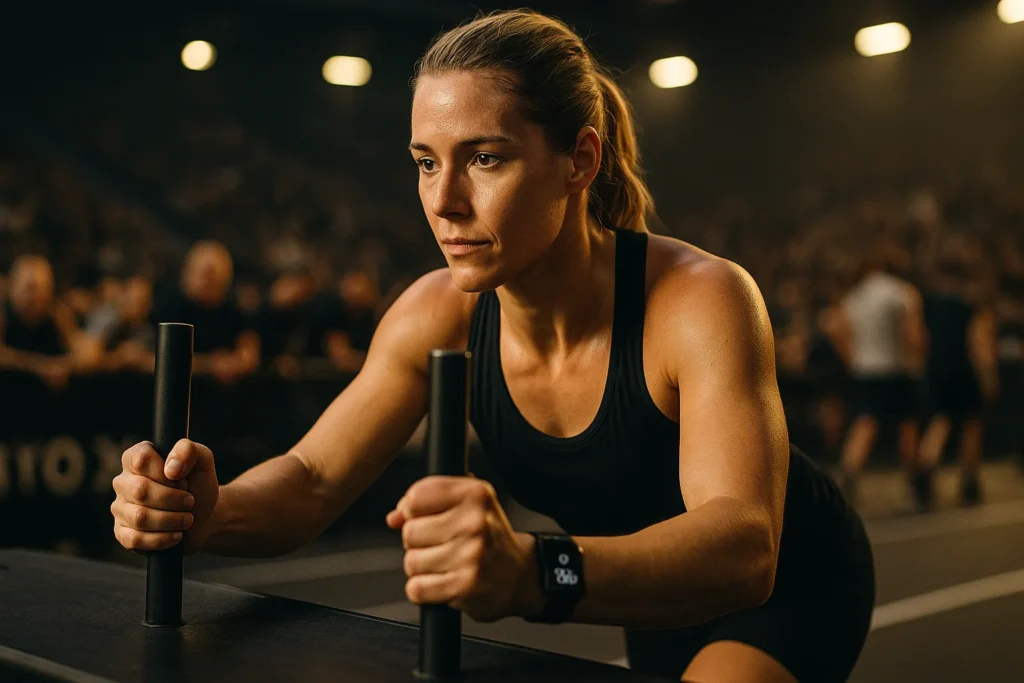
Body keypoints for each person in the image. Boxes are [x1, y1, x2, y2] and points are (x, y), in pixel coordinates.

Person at [110, 10, 873, 683]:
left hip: (792, 586)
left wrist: (530, 569)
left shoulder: (701, 300)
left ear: (579, 160)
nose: (444, 202)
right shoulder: (434, 314)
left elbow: (744, 547)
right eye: (426, 162)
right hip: (649, 589)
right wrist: (209, 512)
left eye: (485, 158)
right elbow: (312, 479)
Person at [835, 246, 927, 506]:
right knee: (907, 424)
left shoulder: (854, 296)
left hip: (865, 369)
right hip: (896, 368)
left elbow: (838, 327)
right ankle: (916, 479)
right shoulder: (901, 292)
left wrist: (852, 358)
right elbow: (914, 334)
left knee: (866, 421)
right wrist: (918, 362)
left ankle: (849, 471)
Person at [917, 258, 999, 507]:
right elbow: (979, 342)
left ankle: (925, 467)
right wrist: (988, 376)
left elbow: (921, 338)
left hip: (937, 369)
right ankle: (969, 481)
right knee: (971, 423)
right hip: (965, 370)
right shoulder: (971, 305)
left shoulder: (930, 304)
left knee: (942, 419)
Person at [151, 240, 259, 384]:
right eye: (206, 273)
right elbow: (155, 359)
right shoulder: (169, 310)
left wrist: (238, 362)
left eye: (216, 275)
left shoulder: (232, 313)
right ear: (188, 272)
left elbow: (249, 351)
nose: (210, 281)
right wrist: (210, 365)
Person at [0, 254, 76, 390]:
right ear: (13, 286)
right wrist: (39, 367)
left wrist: (63, 365)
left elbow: (80, 351)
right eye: (31, 288)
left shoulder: (57, 313)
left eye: (45, 288)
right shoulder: (3, 314)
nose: (39, 296)